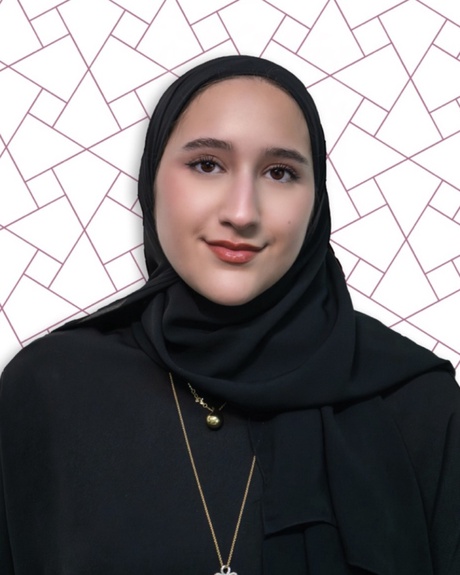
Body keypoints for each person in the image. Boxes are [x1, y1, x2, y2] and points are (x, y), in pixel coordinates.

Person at [0, 55, 459, 575]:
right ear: (150, 180)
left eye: (280, 172)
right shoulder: (49, 390)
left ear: (317, 200)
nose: (242, 212)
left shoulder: (417, 402)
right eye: (207, 165)